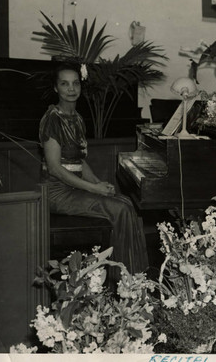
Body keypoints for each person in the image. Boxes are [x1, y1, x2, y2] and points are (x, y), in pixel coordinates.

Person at [39, 62, 148, 275]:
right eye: (64, 84)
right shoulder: (51, 119)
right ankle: (125, 281)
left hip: (74, 188)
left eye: (75, 83)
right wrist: (93, 189)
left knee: (126, 202)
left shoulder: (77, 118)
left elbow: (80, 161)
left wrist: (98, 183)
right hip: (56, 191)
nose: (71, 89)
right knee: (120, 209)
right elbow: (55, 169)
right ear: (56, 88)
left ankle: (136, 278)